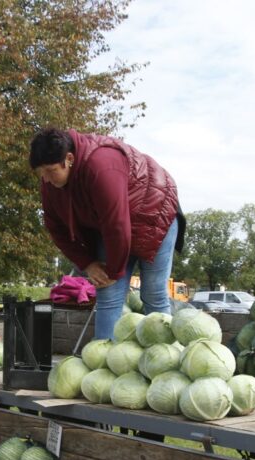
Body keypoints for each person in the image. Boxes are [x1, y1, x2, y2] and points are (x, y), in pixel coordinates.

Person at [29, 127, 184, 340]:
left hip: (155, 215)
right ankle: (104, 362)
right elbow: (56, 228)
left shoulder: (102, 165)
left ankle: (165, 360)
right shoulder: (51, 185)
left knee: (153, 293)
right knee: (108, 294)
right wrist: (88, 263)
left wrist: (114, 271)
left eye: (50, 171)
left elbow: (117, 225)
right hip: (112, 228)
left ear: (70, 159)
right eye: (41, 174)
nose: (46, 179)